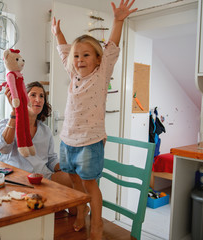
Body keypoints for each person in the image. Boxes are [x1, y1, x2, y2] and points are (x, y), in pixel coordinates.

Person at [51, 0, 137, 239]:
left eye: (86, 55)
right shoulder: (74, 74)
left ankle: (96, 223)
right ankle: (81, 211)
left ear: (98, 59)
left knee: (90, 185)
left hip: (90, 141)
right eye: (77, 56)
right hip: (67, 140)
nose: (79, 59)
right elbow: (65, 51)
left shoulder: (101, 74)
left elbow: (112, 45)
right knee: (74, 180)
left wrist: (118, 20)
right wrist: (58, 34)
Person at [0, 81, 73, 195]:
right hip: (16, 180)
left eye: (41, 96)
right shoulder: (6, 123)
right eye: (33, 95)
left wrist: (66, 166)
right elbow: (4, 149)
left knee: (75, 178)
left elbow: (51, 159)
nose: (38, 99)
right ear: (23, 99)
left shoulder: (45, 130)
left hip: (43, 178)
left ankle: (76, 212)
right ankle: (73, 211)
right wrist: (14, 112)